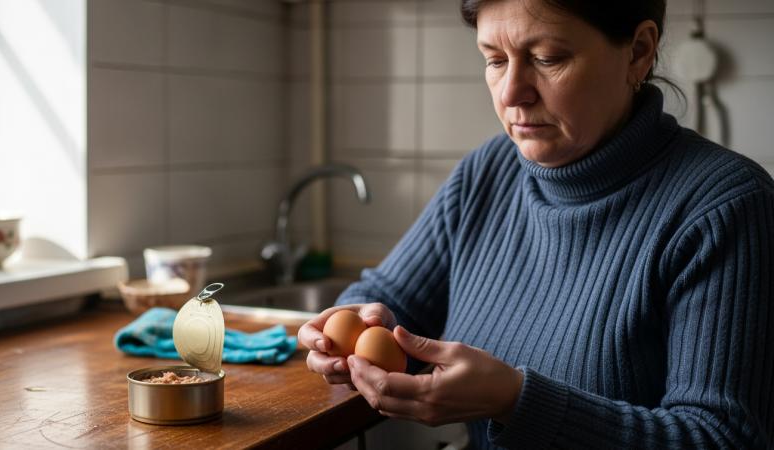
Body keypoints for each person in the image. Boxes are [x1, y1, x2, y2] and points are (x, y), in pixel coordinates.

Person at [298, 0, 774, 448]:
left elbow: (722, 437)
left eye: (547, 58)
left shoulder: (725, 207)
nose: (511, 93)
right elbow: (388, 302)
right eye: (494, 59)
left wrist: (514, 400)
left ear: (639, 51)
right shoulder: (486, 173)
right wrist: (348, 328)